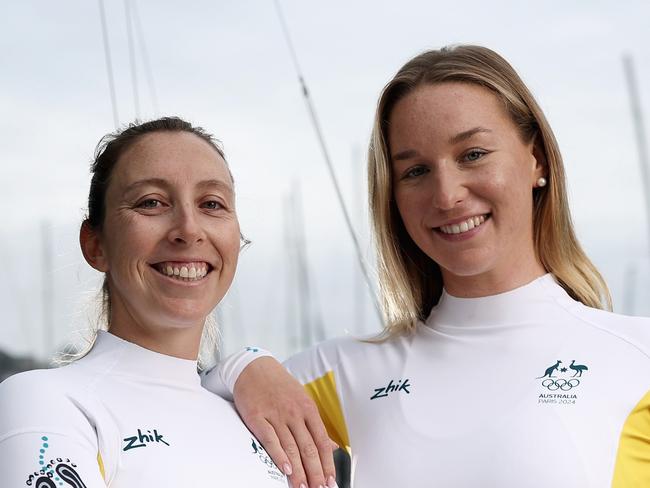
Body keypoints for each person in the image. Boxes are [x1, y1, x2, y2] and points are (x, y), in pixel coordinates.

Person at [203, 45, 650, 487]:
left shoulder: (638, 356)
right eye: (415, 171)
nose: (446, 195)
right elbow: (167, 418)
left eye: (472, 154)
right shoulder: (346, 373)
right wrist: (241, 368)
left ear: (537, 161)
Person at [0, 117, 307, 487]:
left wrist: (242, 364)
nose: (189, 230)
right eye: (152, 203)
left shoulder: (264, 419)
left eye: (211, 203)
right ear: (95, 245)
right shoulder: (47, 401)